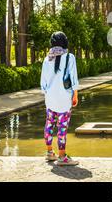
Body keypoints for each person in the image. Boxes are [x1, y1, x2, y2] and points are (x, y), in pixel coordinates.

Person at [40, 32, 80, 166]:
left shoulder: (47, 59)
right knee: (62, 127)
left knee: (49, 124)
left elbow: (43, 83)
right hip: (64, 99)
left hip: (50, 99)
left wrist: (48, 94)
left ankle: (49, 152)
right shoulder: (70, 57)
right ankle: (62, 156)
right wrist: (75, 96)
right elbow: (74, 79)